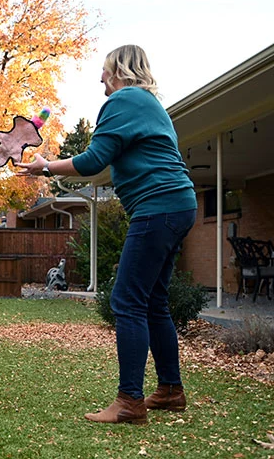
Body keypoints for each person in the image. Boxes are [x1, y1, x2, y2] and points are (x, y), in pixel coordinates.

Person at [17, 45, 197, 424]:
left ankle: (130, 401)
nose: (100, 78)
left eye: (103, 71)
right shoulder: (147, 103)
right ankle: (170, 390)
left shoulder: (124, 100)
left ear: (118, 70)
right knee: (154, 302)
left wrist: (45, 167)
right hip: (177, 205)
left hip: (157, 207)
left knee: (127, 300)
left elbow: (93, 161)